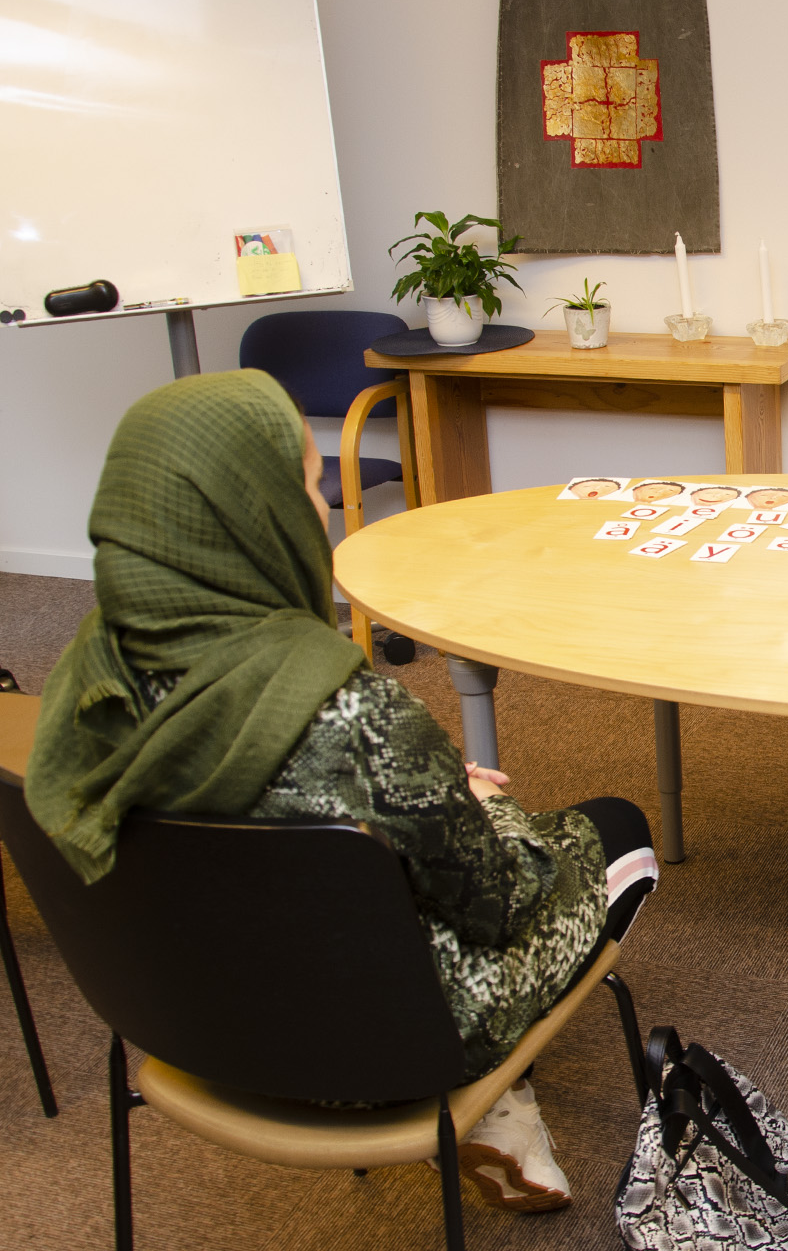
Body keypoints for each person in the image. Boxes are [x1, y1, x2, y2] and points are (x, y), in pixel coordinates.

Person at [25, 371, 658, 1212]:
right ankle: (489, 1101)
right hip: (385, 1054)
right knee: (615, 828)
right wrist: (472, 803)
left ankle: (504, 1115)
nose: (322, 503)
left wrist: (422, 793)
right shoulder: (356, 720)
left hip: (192, 1023)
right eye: (310, 481)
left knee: (386, 869)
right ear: (255, 510)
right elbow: (502, 905)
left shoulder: (84, 683)